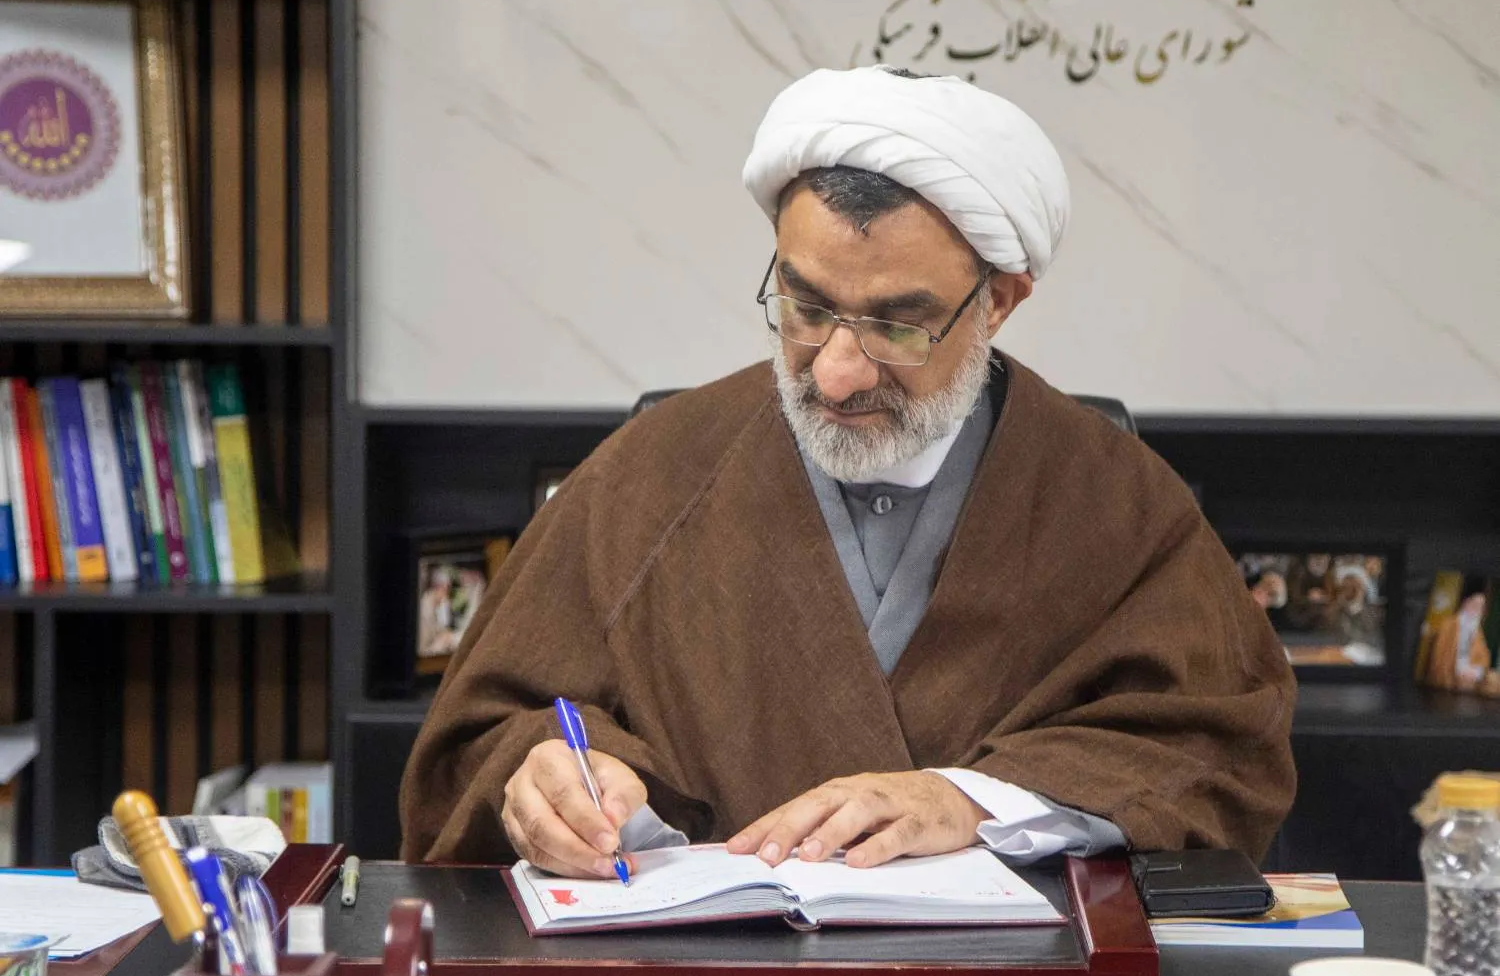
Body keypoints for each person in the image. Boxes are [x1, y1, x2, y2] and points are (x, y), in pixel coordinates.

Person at [400, 66, 1297, 877]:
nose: (836, 372)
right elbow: (477, 740)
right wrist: (549, 778)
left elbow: (1222, 751)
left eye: (897, 326)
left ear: (999, 300)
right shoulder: (650, 476)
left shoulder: (1116, 501)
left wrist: (971, 800)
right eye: (805, 306)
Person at [1427, 577, 1492, 693]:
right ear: (1466, 603)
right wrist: (1459, 670)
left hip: (1469, 678)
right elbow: (1439, 656)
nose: (1477, 610)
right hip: (1450, 677)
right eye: (1474, 605)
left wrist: (1477, 671)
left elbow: (1484, 657)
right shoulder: (1448, 625)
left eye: (1480, 607)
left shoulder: (1477, 631)